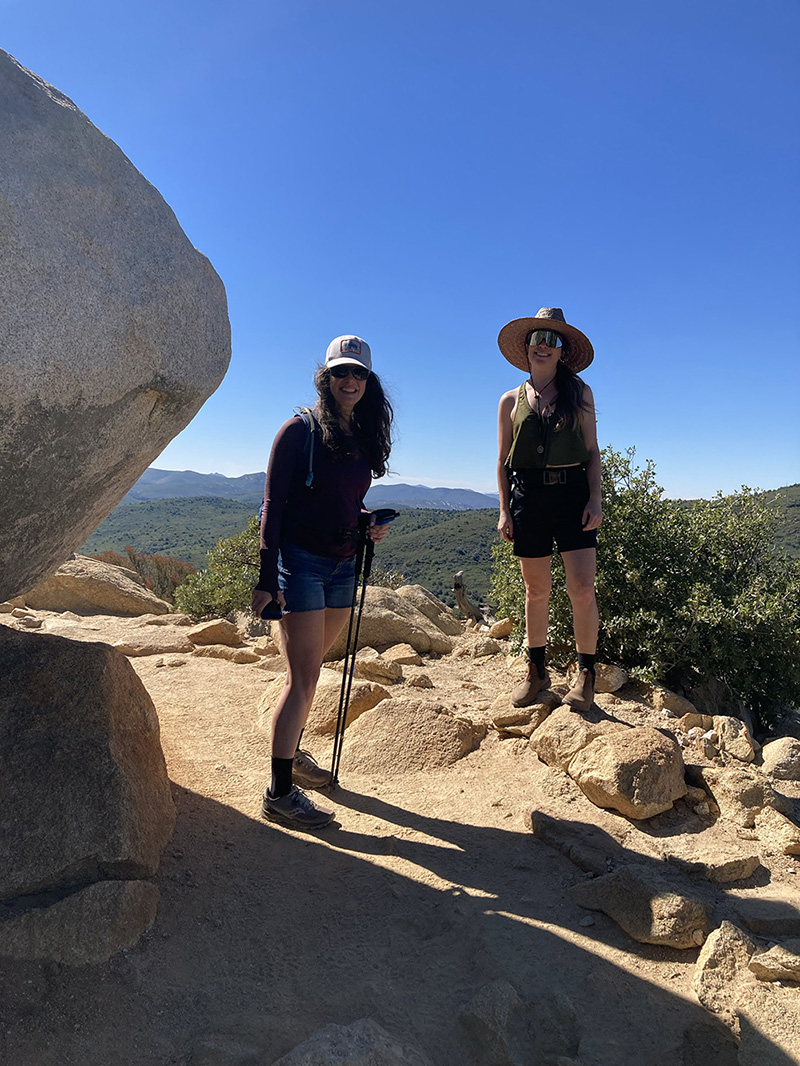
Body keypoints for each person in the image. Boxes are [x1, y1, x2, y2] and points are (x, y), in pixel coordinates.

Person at [251, 335, 393, 830]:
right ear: (325, 377)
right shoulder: (298, 431)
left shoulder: (361, 434)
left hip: (343, 565)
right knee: (304, 677)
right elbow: (272, 508)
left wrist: (366, 520)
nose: (349, 380)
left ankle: (290, 755)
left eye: (358, 373)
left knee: (310, 671)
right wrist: (266, 579)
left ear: (368, 380)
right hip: (302, 565)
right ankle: (279, 792)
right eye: (340, 372)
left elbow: (342, 501)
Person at [496, 307, 602, 712]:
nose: (543, 346)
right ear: (526, 348)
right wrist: (505, 510)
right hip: (528, 497)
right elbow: (502, 461)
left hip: (573, 494)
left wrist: (595, 499)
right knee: (536, 590)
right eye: (537, 339)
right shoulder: (510, 401)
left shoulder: (580, 394)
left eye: (552, 340)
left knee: (582, 588)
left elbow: (592, 451)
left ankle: (586, 675)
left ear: (562, 351)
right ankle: (537, 671)